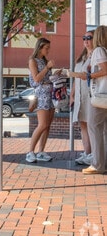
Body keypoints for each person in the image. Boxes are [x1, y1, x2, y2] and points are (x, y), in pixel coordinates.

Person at [26, 37, 61, 163]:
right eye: (46, 48)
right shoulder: (33, 61)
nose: (48, 50)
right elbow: (36, 79)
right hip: (41, 94)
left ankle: (41, 151)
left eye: (49, 48)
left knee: (48, 125)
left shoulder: (44, 61)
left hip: (50, 93)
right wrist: (47, 67)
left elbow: (47, 78)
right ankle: (30, 151)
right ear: (40, 47)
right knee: (42, 124)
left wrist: (55, 74)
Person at [67, 30, 94, 166]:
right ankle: (87, 152)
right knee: (82, 124)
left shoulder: (97, 56)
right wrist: (71, 95)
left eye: (89, 37)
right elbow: (76, 78)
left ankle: (94, 154)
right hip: (79, 96)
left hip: (89, 95)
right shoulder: (82, 57)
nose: (86, 40)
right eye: (84, 37)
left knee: (91, 125)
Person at [83, 25, 107, 174]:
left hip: (100, 96)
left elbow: (105, 70)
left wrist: (90, 75)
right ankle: (103, 163)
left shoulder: (99, 51)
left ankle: (97, 164)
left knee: (93, 127)